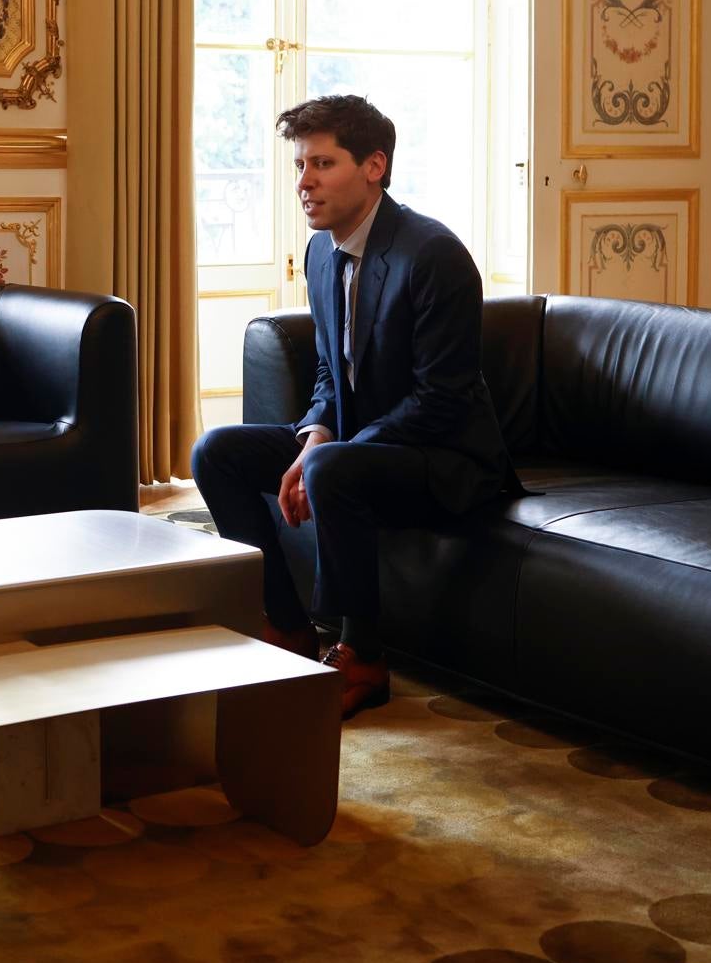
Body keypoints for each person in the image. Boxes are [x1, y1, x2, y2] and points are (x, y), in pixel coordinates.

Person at [191, 94, 513, 718]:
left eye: (322, 164)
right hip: (356, 445)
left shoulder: (432, 255)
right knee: (218, 451)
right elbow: (329, 370)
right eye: (300, 166)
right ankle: (286, 627)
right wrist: (315, 430)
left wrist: (332, 453)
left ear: (374, 167)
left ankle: (362, 654)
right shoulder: (320, 250)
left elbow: (441, 400)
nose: (304, 183)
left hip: (445, 456)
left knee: (331, 467)